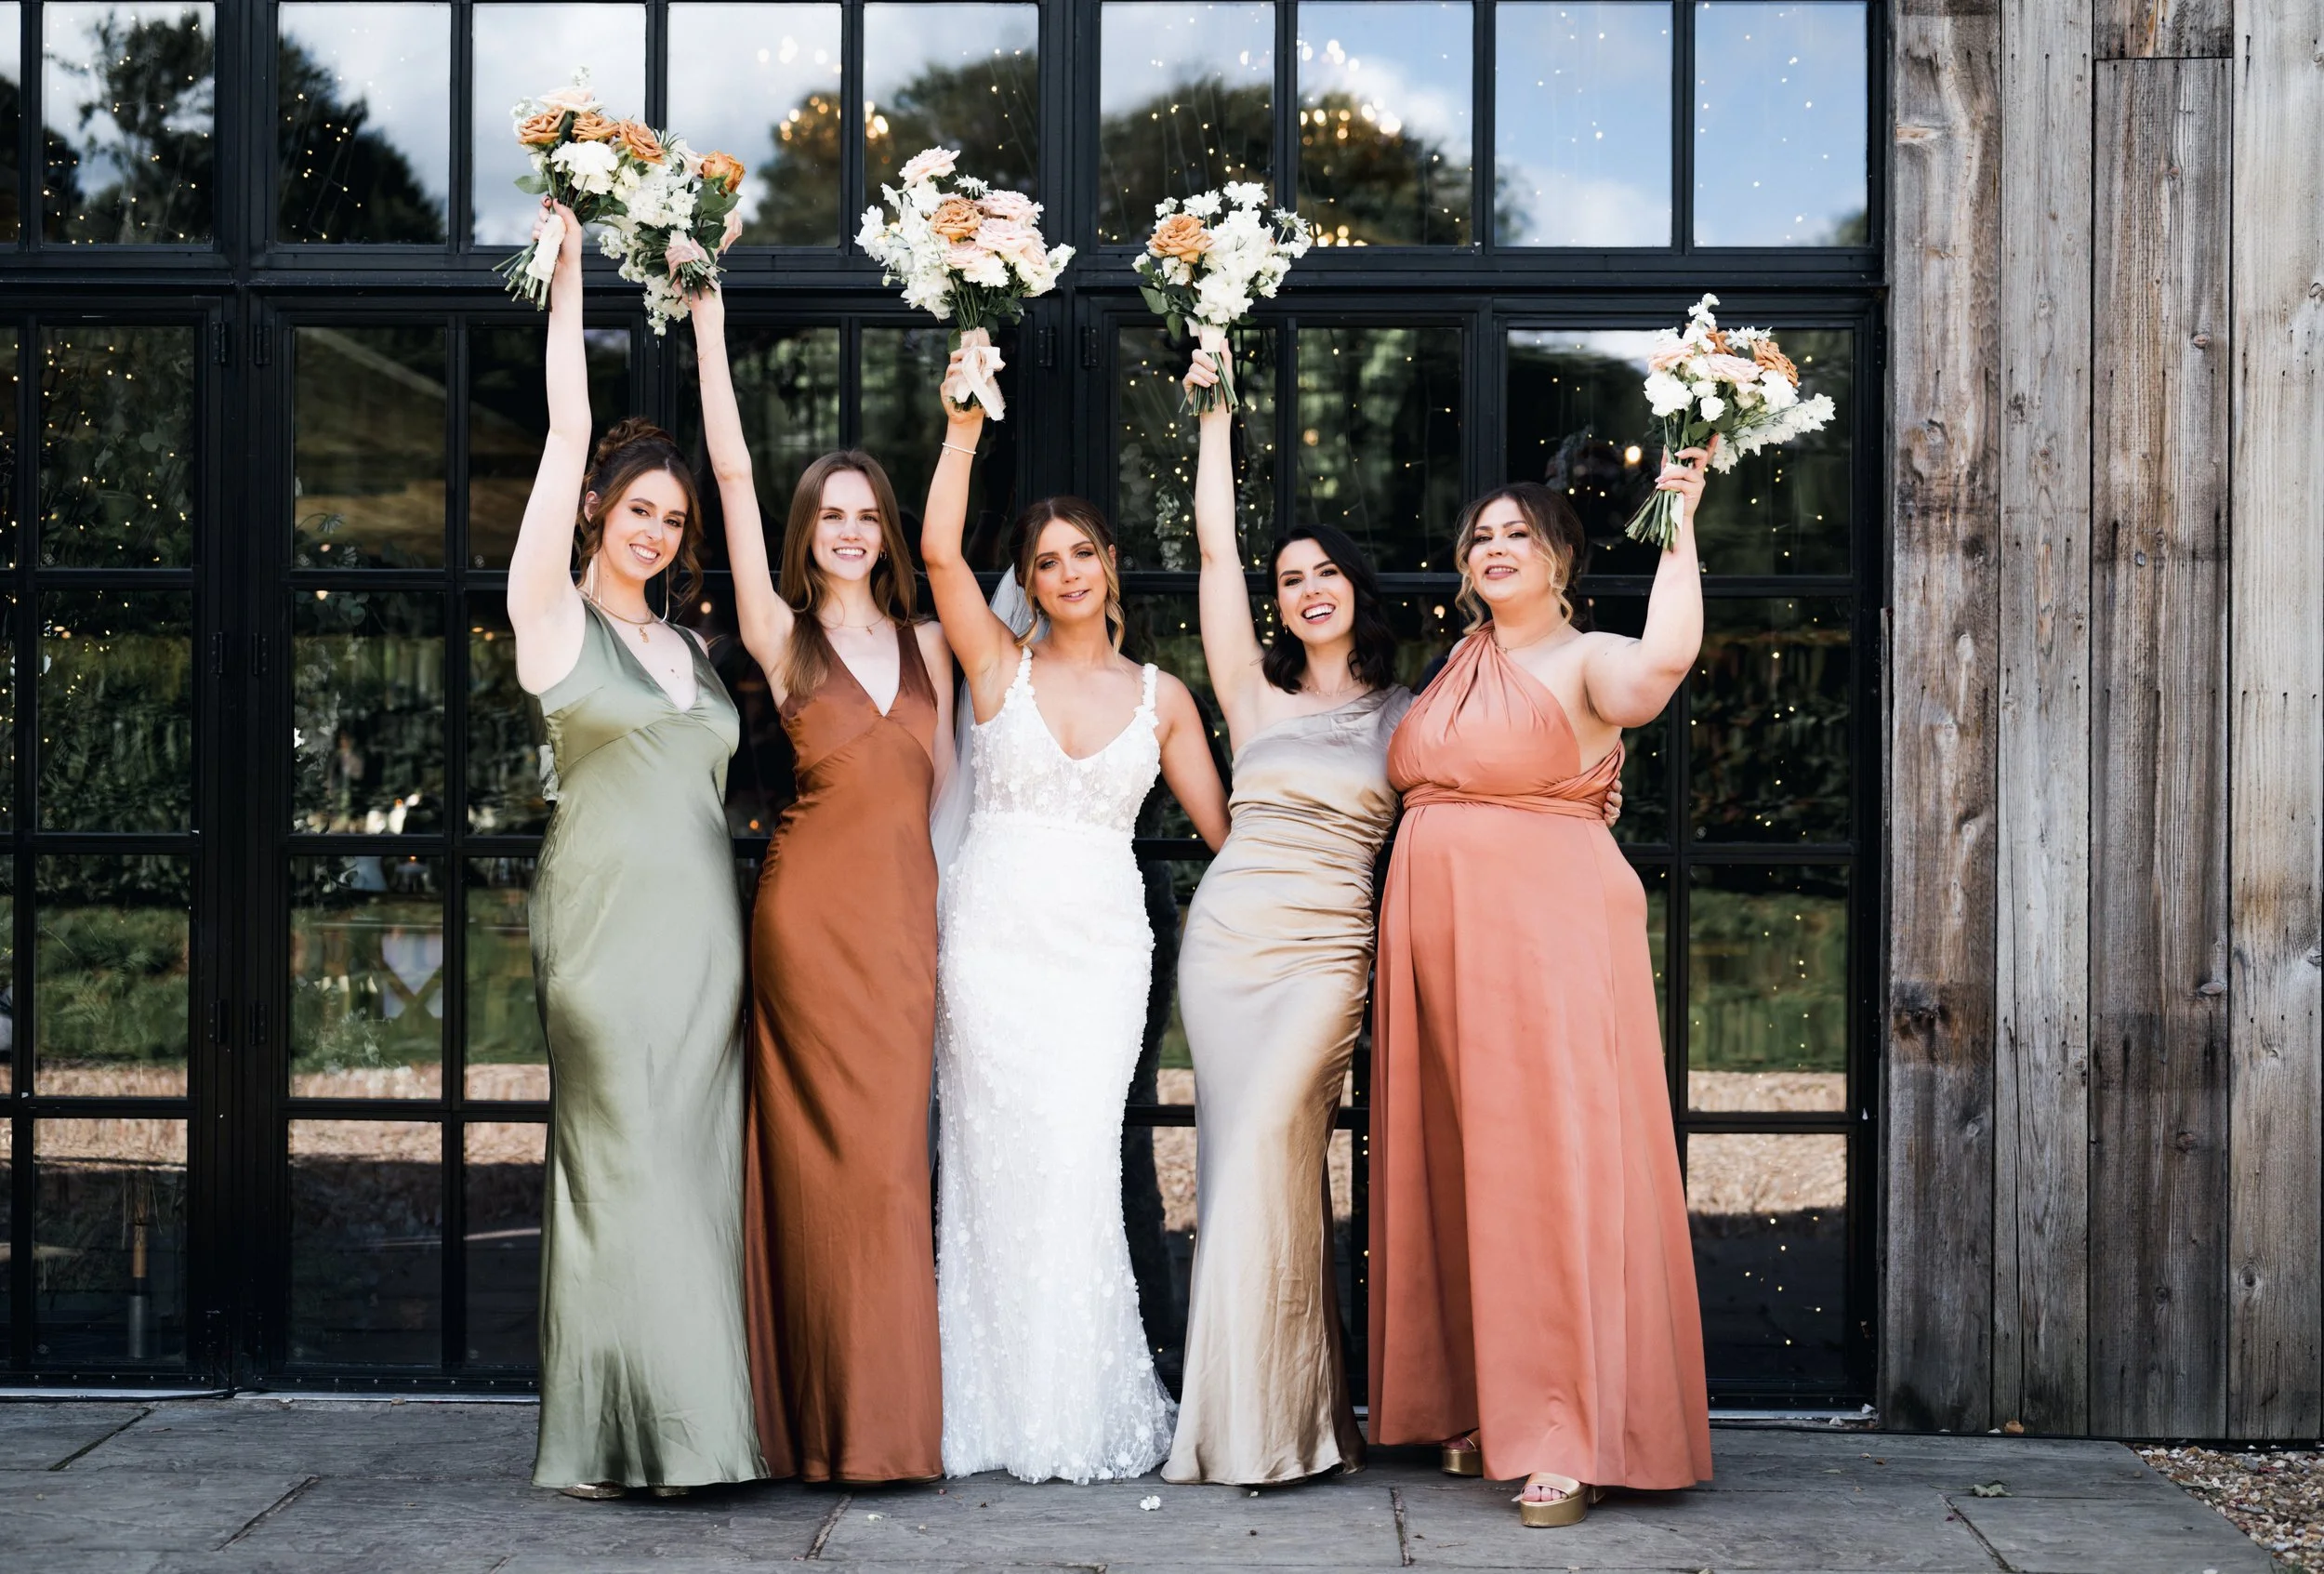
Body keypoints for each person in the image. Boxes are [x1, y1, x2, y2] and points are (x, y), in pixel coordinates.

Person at [1368, 444, 1719, 1528]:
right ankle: (1490, 1400)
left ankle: (1571, 1430)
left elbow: (1662, 666)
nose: (1495, 547)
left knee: (1553, 1169)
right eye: (1481, 536)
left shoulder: (1583, 658)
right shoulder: (1455, 662)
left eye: (1519, 533)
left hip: (1546, 933)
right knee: (1467, 1165)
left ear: (1561, 559)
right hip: (1439, 944)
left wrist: (1682, 518)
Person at [921, 349, 1230, 1485]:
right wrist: (961, 432)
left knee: (1081, 1164)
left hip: (1103, 955)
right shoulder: (995, 667)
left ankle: (1079, 1402)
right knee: (996, 1169)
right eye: (1046, 560)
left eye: (1083, 553)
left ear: (1110, 564)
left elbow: (1226, 837)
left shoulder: (1165, 698)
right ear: (1030, 579)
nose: (1067, 572)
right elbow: (937, 553)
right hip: (993, 949)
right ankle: (990, 1407)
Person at [508, 203, 763, 1498]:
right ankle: (621, 1442)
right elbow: (562, 434)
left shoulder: (694, 651)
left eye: (672, 518)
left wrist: (710, 325)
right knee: (625, 1172)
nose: (656, 530)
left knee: (692, 1178)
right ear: (601, 510)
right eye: (637, 510)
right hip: (605, 944)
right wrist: (568, 288)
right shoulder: (552, 623)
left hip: (707, 949)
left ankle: (695, 1440)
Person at [689, 289, 953, 1484]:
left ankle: (886, 1425)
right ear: (809, 529)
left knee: (892, 1165)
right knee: (816, 1169)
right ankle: (822, 1427)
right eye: (830, 513)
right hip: (807, 923)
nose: (848, 528)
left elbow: (943, 805)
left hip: (901, 929)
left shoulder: (932, 643)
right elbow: (734, 478)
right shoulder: (779, 633)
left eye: (865, 513)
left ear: (886, 529)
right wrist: (706, 321)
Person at [1160, 339, 1406, 1486]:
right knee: (1242, 1162)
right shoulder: (1251, 695)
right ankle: (1267, 1424)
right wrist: (1213, 412)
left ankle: (1273, 1423)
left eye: (1325, 572)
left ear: (1357, 586)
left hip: (1325, 958)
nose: (1307, 589)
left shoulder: (1409, 710)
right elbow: (1214, 549)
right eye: (1290, 577)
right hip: (1228, 947)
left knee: (1269, 1138)